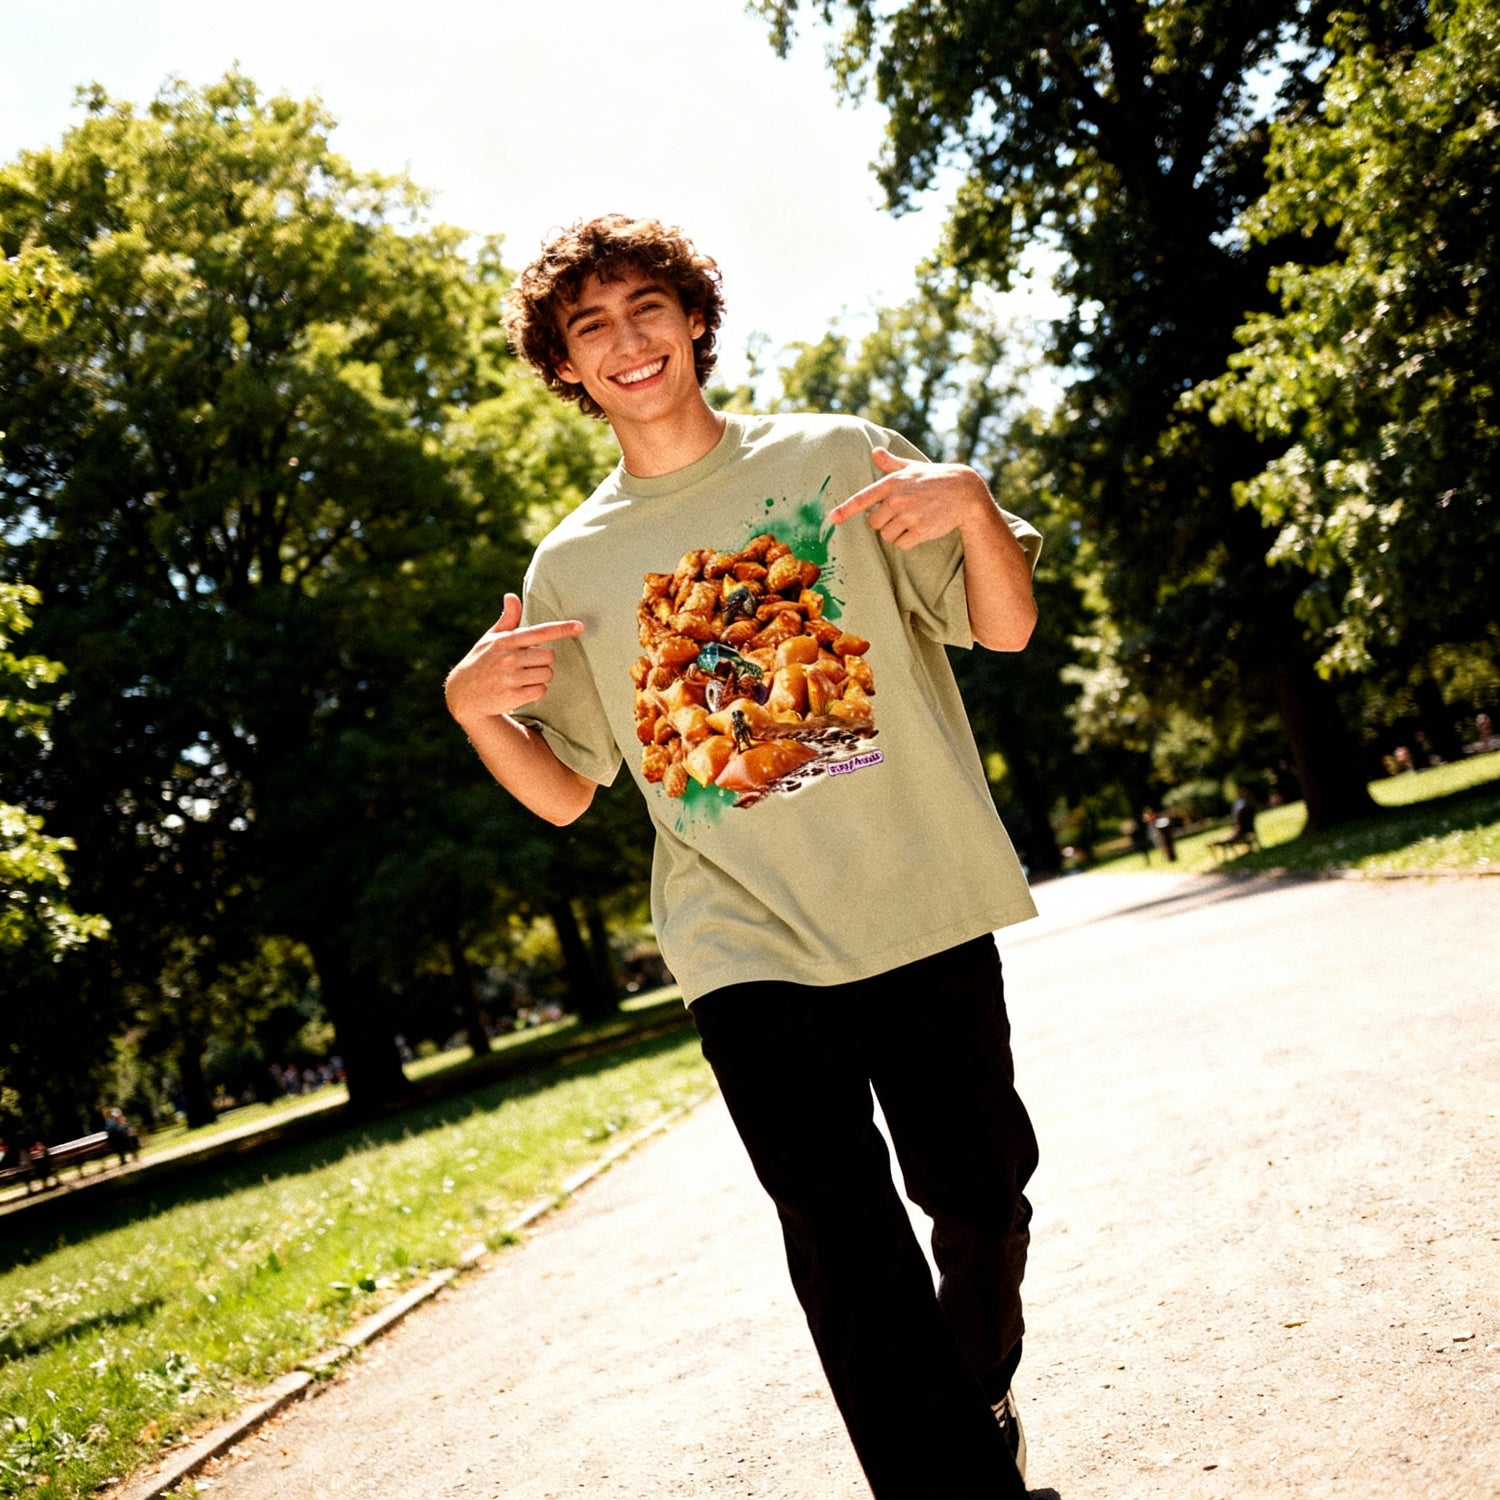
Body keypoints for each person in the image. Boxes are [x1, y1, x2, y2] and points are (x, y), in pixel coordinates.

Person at [445, 215, 1042, 1499]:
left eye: (646, 308)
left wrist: (977, 505)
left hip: (919, 897)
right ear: (565, 366)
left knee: (982, 1197)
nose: (627, 340)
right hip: (743, 945)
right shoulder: (573, 563)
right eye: (591, 326)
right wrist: (473, 712)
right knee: (842, 1238)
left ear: (695, 320)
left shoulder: (833, 455)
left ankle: (977, 1383)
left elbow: (1002, 628)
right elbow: (566, 794)